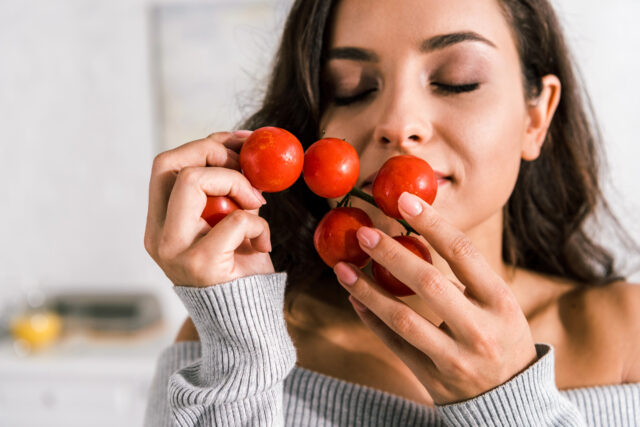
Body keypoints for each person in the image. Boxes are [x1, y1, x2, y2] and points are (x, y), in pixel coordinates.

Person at [143, 0, 640, 425]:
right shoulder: (233, 341)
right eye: (354, 88)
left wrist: (507, 401)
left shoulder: (628, 336)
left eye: (457, 81)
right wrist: (240, 345)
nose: (397, 124)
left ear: (536, 117)